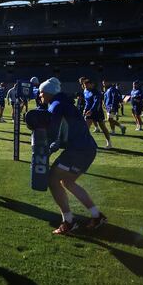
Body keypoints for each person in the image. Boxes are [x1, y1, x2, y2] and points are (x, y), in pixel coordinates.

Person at [36, 78, 105, 235]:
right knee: (67, 181)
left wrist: (47, 145)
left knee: (52, 180)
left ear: (47, 92)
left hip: (78, 150)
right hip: (86, 149)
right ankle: (96, 216)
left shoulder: (56, 105)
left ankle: (68, 221)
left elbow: (53, 131)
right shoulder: (63, 103)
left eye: (41, 92)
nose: (40, 96)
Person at [83, 78, 112, 148]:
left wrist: (91, 110)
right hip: (89, 112)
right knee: (85, 128)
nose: (86, 87)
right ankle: (85, 143)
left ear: (91, 84)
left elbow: (96, 103)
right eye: (85, 86)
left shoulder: (96, 92)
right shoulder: (85, 91)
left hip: (97, 112)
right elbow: (87, 102)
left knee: (103, 127)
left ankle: (109, 143)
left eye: (87, 86)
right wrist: (85, 109)